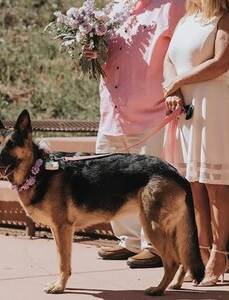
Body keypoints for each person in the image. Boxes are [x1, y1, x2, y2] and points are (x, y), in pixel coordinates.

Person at [85, 0, 185, 268]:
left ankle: (155, 245)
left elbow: (182, 50)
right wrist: (92, 53)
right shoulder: (117, 6)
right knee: (112, 181)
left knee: (151, 185)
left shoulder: (173, 5)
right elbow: (110, 53)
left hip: (151, 111)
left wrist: (177, 89)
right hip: (113, 111)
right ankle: (128, 241)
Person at [162, 0, 229, 285]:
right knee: (193, 185)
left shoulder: (227, 17)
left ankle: (219, 255)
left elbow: (222, 62)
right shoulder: (184, 21)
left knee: (216, 184)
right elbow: (169, 60)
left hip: (211, 107)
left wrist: (178, 80)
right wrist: (175, 90)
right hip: (186, 110)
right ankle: (200, 256)